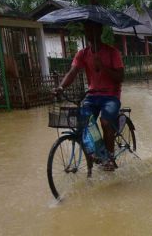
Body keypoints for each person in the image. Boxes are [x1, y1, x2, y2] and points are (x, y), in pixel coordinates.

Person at [54, 21, 125, 171]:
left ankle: (109, 158)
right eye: (86, 30)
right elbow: (72, 72)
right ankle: (99, 153)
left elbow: (120, 77)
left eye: (91, 29)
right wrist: (61, 87)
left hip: (111, 96)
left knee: (105, 122)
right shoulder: (83, 54)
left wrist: (103, 66)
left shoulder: (113, 52)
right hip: (92, 95)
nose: (88, 33)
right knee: (83, 120)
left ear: (99, 31)